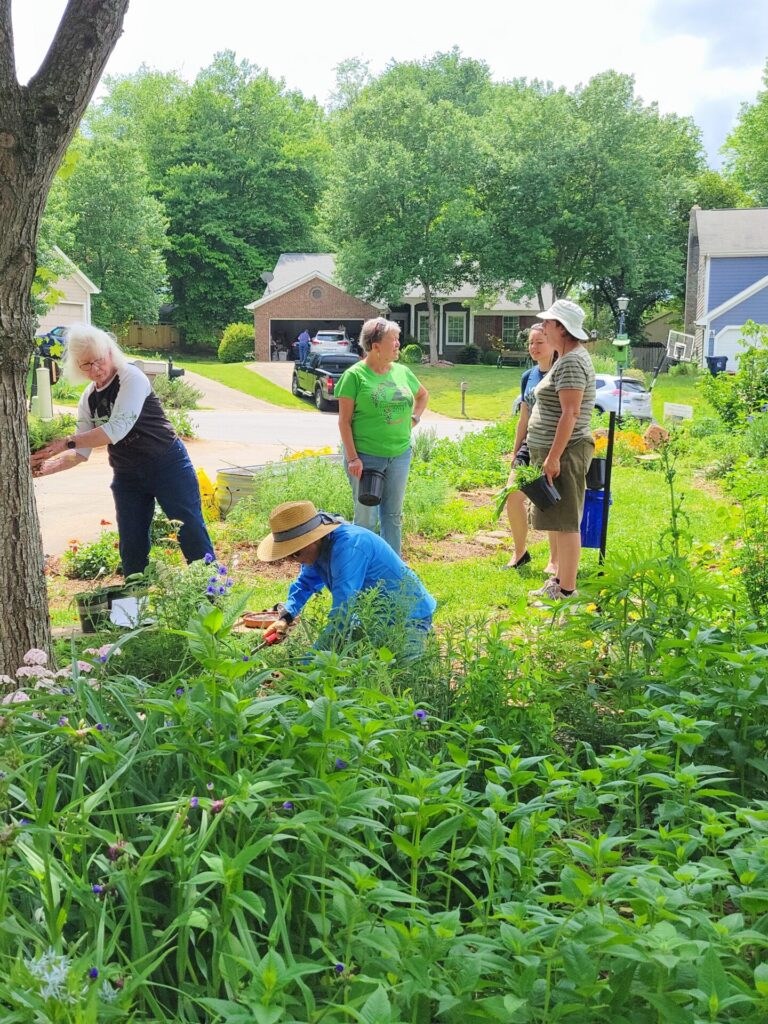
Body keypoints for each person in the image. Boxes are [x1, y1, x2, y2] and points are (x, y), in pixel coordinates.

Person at [30, 324, 214, 577]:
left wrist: (64, 442)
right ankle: (134, 604)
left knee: (190, 530)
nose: (95, 369)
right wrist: (42, 467)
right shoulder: (88, 398)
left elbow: (117, 429)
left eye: (98, 360)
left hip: (167, 465)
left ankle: (213, 597)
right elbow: (80, 454)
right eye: (85, 364)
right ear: (76, 366)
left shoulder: (131, 377)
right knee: (132, 546)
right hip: (127, 475)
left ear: (110, 353)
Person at [257, 500, 436, 651]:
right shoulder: (316, 549)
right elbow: (305, 584)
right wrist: (285, 618)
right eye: (288, 555)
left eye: (295, 553)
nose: (294, 560)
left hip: (409, 618)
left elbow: (343, 612)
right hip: (371, 619)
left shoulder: (350, 547)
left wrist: (309, 662)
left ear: (314, 538)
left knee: (400, 678)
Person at [336, 317, 429, 556]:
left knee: (393, 516)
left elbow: (422, 396)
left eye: (398, 339)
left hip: (399, 455)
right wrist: (354, 458)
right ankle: (364, 569)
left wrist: (414, 419)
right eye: (393, 340)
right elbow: (344, 422)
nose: (398, 344)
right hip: (365, 459)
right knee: (366, 520)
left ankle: (393, 572)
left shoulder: (403, 372)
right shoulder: (354, 376)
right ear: (375, 345)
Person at [525, 300, 596, 602]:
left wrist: (553, 457)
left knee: (566, 522)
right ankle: (558, 581)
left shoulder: (571, 362)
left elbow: (571, 414)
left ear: (561, 329)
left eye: (548, 323)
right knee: (557, 519)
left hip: (567, 452)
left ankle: (566, 591)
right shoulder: (566, 358)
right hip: (556, 451)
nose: (542, 327)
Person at [504, 323, 558, 572]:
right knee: (512, 495)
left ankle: (554, 560)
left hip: (551, 444)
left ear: (552, 343)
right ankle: (520, 552)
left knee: (551, 503)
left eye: (539, 342)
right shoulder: (528, 376)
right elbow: (523, 418)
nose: (533, 347)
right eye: (530, 343)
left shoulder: (560, 372)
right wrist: (516, 451)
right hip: (529, 444)